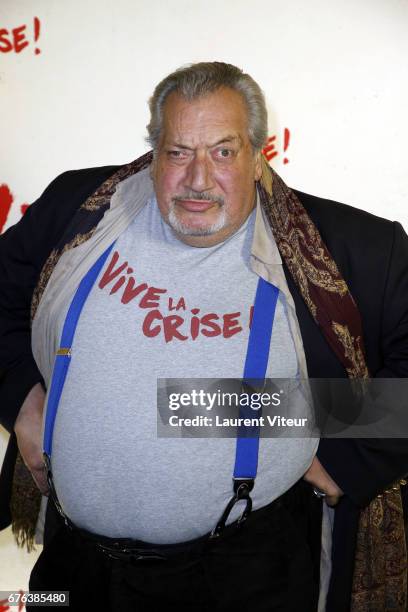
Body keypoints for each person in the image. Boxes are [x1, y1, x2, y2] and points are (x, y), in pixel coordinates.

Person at [0, 61, 407, 612]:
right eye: (178, 152)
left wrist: (335, 456)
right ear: (153, 151)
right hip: (76, 564)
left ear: (258, 152)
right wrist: (24, 398)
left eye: (223, 150)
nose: (198, 179)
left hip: (247, 573)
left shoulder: (350, 248)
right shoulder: (80, 209)